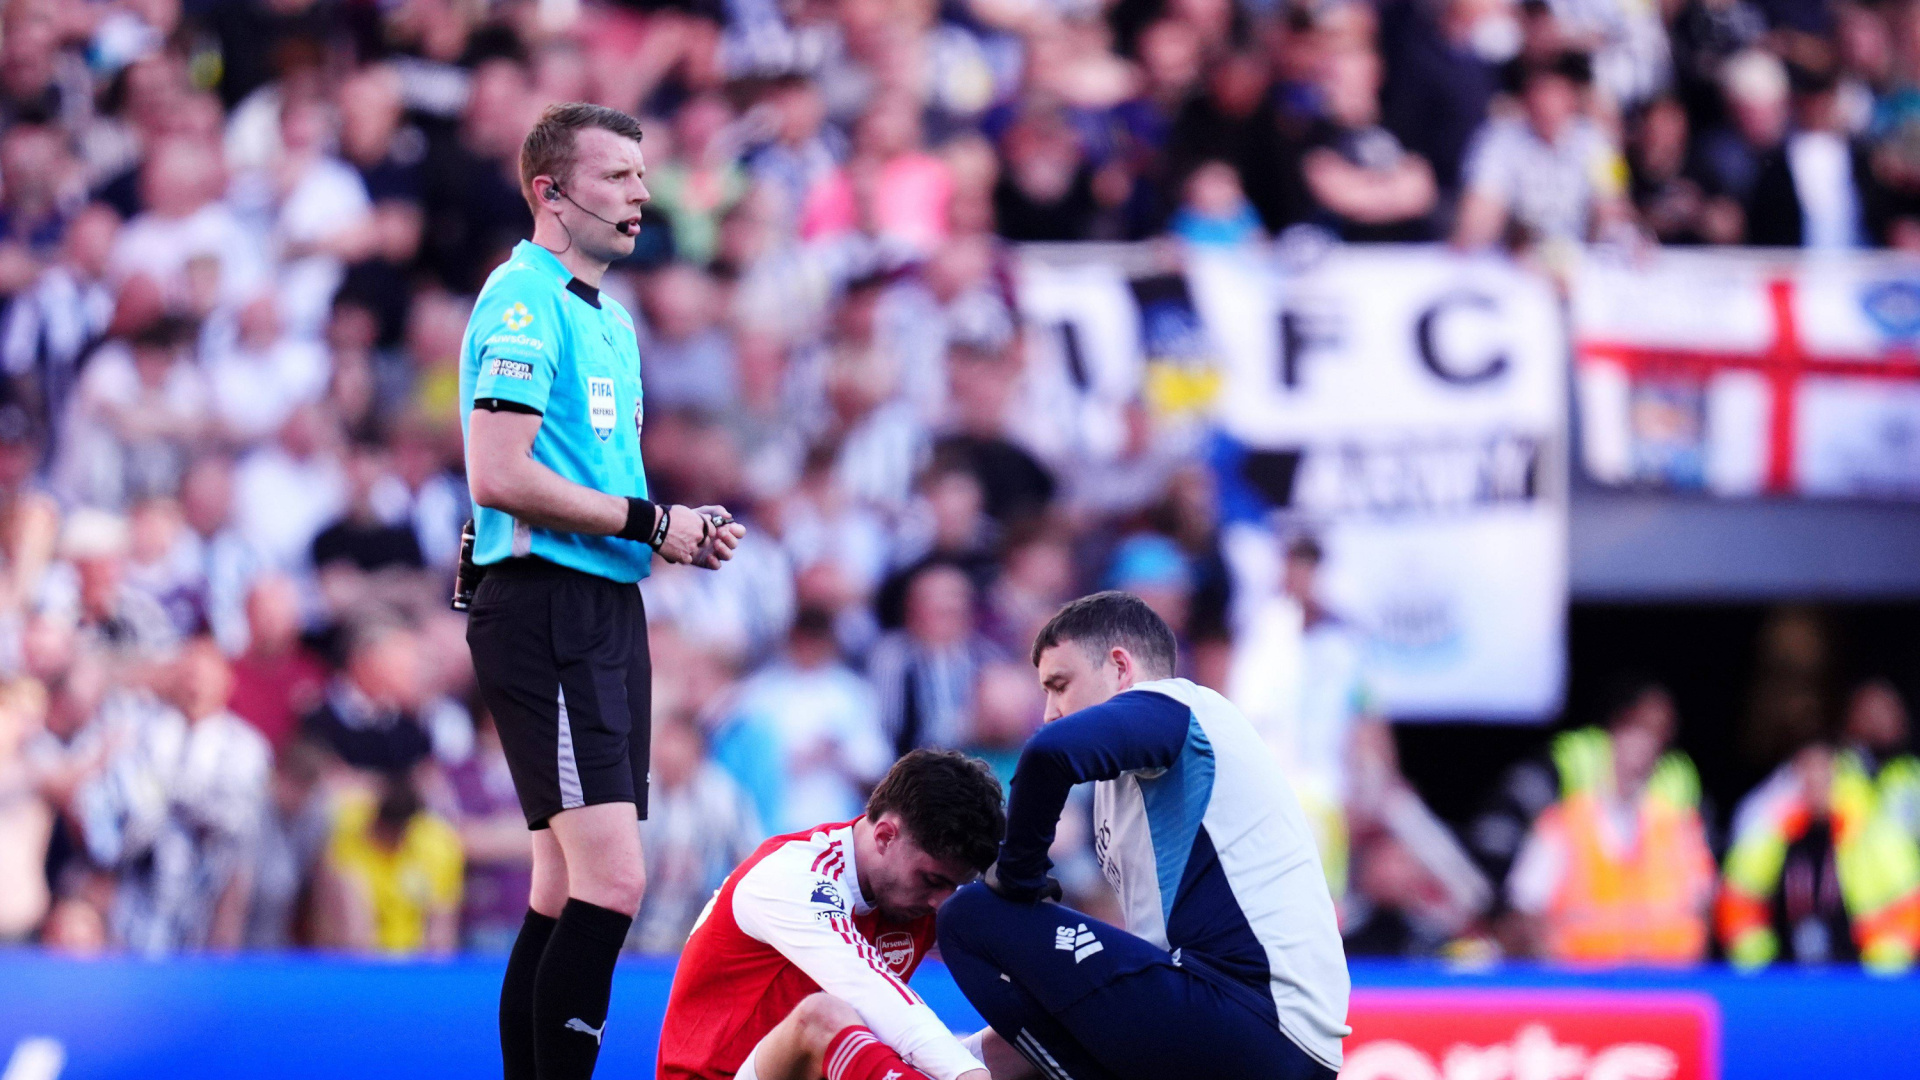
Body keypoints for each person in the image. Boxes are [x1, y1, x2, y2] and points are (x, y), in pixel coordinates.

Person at [459, 102, 746, 1080]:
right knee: (614, 882)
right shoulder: (521, 299)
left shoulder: (608, 319)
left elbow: (585, 476)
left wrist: (671, 529)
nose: (641, 195)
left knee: (563, 882)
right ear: (550, 191)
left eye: (642, 174)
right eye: (618, 177)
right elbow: (496, 474)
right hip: (549, 605)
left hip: (602, 605)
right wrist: (652, 525)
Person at [937, 591, 1350, 1080]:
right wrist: (948, 1060)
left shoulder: (1180, 706)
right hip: (1254, 1032)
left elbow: (1047, 754)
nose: (1048, 711)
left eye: (1060, 685)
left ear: (1119, 667)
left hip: (1251, 1015)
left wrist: (1018, 877)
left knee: (972, 915)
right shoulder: (1131, 780)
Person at [656, 748, 1003, 1080]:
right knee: (822, 1016)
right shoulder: (791, 876)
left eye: (953, 886)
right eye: (932, 880)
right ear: (884, 836)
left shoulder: (917, 892)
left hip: (827, 1071)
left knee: (1018, 1047)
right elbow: (868, 989)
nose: (941, 904)